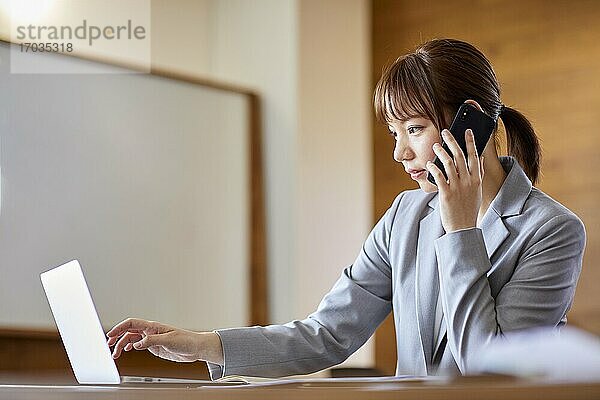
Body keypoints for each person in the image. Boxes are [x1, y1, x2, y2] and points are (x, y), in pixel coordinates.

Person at [107, 38, 585, 378]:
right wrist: (201, 344)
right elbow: (327, 334)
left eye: (414, 130)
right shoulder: (405, 216)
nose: (400, 154)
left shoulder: (553, 231)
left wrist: (460, 231)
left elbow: (491, 370)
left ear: (471, 123)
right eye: (394, 135)